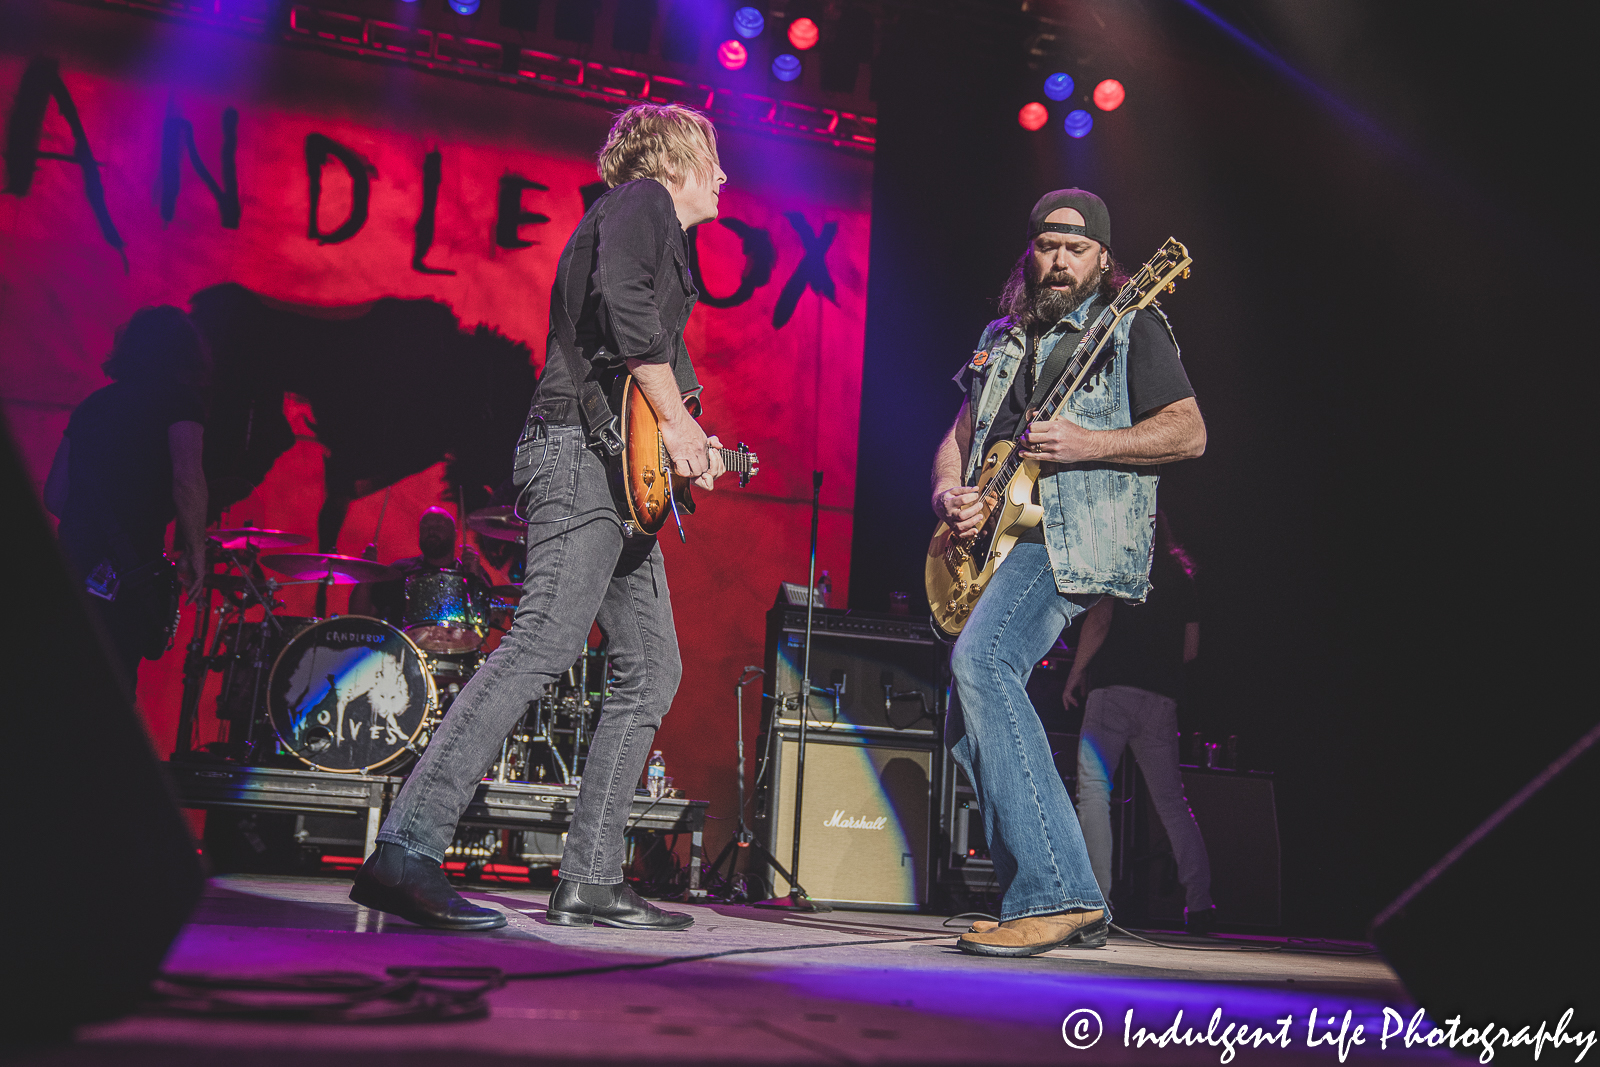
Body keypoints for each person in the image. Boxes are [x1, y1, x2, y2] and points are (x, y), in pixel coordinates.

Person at [351, 103, 729, 932]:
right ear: (671, 161)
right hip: (577, 458)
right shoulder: (643, 202)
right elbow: (627, 313)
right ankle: (408, 848)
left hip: (620, 480)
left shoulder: (659, 232)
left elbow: (644, 357)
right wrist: (677, 424)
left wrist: (685, 443)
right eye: (712, 159)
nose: (724, 176)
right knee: (544, 641)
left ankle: (590, 875)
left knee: (652, 666)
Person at [932, 189, 1206, 958]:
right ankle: (1051, 894)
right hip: (1004, 539)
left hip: (1079, 532)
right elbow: (956, 438)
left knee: (983, 662)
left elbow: (1190, 431)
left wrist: (1087, 443)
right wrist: (950, 493)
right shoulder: (1000, 339)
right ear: (1031, 252)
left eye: (1076, 249)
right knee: (970, 701)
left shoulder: (1130, 328)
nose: (1059, 260)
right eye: (1049, 246)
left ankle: (1059, 892)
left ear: (1102, 260)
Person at [1064, 511, 1215, 932]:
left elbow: (1100, 620)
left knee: (1093, 794)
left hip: (1112, 692)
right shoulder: (1182, 579)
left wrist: (1076, 673)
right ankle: (1200, 904)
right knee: (1171, 801)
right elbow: (1190, 649)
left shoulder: (1118, 561)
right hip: (1161, 701)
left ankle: (1096, 906)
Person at [44, 306, 209, 690]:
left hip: (71, 562)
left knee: (62, 683)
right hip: (129, 569)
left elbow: (55, 495)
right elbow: (188, 478)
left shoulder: (92, 405)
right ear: (185, 352)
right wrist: (196, 550)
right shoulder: (181, 403)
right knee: (111, 686)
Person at [348, 506, 487, 626]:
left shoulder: (470, 572)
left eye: (439, 525)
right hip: (403, 652)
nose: (431, 531)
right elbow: (359, 616)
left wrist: (474, 577)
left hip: (460, 650)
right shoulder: (399, 572)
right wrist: (365, 571)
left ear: (455, 534)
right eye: (425, 527)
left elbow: (488, 619)